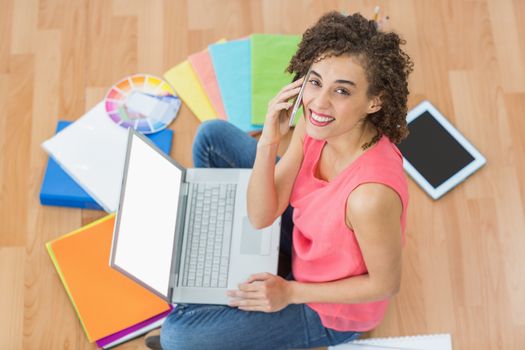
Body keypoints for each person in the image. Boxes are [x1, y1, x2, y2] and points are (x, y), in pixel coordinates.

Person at [153, 11, 413, 350]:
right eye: (315, 81)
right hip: (307, 237)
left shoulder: (369, 197)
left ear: (374, 101)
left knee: (176, 337)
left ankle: (218, 279)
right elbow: (262, 215)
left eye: (343, 91)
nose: (319, 103)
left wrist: (289, 293)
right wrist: (269, 141)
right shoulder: (317, 122)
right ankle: (218, 268)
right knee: (211, 136)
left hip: (325, 305)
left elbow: (385, 284)